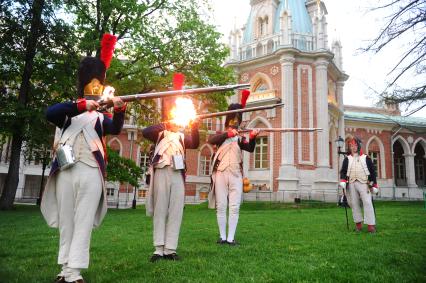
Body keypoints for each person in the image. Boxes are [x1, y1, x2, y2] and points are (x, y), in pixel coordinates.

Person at [41, 34, 126, 283]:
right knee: (67, 220)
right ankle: (64, 269)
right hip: (67, 169)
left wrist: (119, 109)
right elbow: (50, 113)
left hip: (91, 171)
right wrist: (82, 105)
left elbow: (115, 129)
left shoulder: (101, 118)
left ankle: (74, 271)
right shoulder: (69, 111)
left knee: (84, 220)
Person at [142, 74, 200, 262]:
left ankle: (170, 249)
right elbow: (145, 132)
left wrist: (195, 124)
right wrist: (167, 123)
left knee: (176, 211)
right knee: (160, 210)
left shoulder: (183, 137)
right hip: (161, 172)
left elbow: (196, 142)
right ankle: (158, 249)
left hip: (178, 174)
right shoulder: (160, 133)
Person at [208, 90, 259, 245]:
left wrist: (253, 137)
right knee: (221, 206)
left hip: (236, 174)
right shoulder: (221, 134)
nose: (235, 121)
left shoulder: (240, 137)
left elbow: (249, 148)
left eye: (237, 119)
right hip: (220, 173)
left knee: (234, 206)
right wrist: (227, 134)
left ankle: (231, 238)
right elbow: (212, 140)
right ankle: (222, 237)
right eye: (233, 118)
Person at [339, 137, 379, 233]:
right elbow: (343, 171)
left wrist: (374, 185)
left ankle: (371, 225)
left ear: (359, 146)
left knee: (367, 202)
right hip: (351, 183)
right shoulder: (347, 159)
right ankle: (358, 225)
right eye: (351, 146)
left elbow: (372, 172)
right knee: (354, 204)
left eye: (355, 145)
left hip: (365, 183)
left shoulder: (366, 158)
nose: (353, 147)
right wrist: (343, 180)